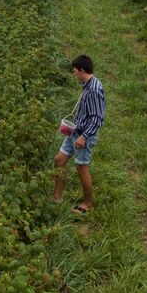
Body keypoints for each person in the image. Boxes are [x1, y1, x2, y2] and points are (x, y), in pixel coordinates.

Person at [54, 55, 105, 215]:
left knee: (82, 168)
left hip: (84, 135)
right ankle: (57, 196)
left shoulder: (94, 90)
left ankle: (88, 203)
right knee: (59, 160)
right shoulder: (87, 84)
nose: (74, 74)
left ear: (83, 70)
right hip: (75, 131)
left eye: (75, 71)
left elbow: (97, 119)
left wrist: (83, 137)